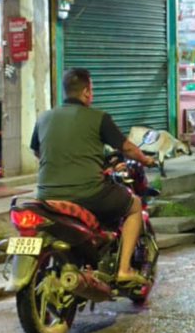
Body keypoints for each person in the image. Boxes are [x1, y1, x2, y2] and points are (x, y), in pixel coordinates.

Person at [30, 67, 156, 287]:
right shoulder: (98, 118)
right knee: (135, 205)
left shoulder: (44, 118)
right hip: (88, 193)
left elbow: (37, 151)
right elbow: (127, 148)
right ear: (87, 92)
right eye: (92, 90)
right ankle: (124, 270)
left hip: (46, 195)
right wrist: (146, 160)